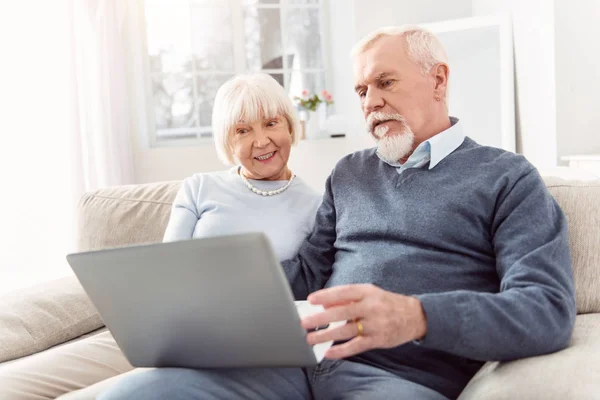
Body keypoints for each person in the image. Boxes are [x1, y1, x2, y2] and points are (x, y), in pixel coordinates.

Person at [100, 26, 576, 400]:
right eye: (361, 91)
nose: (370, 103)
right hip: (297, 366)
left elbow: (546, 310)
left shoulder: (506, 178)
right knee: (131, 393)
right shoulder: (349, 173)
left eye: (385, 82)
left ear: (439, 80)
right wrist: (205, 294)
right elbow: (307, 273)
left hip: (402, 379)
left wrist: (416, 316)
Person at [162, 73, 321, 261]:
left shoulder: (317, 207)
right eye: (243, 131)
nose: (261, 142)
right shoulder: (197, 188)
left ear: (290, 128)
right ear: (227, 141)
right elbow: (168, 264)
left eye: (271, 123)